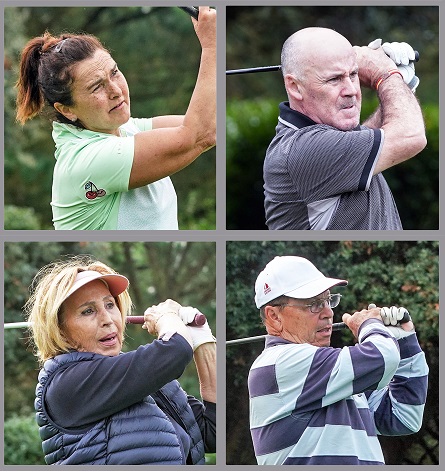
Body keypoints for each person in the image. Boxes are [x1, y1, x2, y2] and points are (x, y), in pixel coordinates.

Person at [15, 7, 216, 230]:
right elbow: (200, 134)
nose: (116, 91)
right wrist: (212, 47)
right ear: (67, 110)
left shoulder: (125, 129)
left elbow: (209, 124)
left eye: (114, 72)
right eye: (96, 87)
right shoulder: (88, 160)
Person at [24, 256, 216, 465]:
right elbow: (175, 351)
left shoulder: (148, 378)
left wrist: (203, 340)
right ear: (59, 329)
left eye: (110, 304)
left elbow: (213, 433)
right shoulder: (67, 382)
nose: (107, 319)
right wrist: (167, 317)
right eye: (88, 311)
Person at [249, 255, 428, 465]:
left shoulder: (329, 375)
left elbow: (404, 417)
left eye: (328, 300)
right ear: (274, 316)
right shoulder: (281, 363)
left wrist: (405, 340)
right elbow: (383, 356)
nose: (328, 313)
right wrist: (368, 324)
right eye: (314, 304)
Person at [263, 27, 427, 230]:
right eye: (334, 79)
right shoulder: (303, 149)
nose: (351, 90)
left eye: (354, 74)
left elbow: (372, 138)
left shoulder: (322, 139)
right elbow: (410, 137)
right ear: (295, 86)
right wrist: (385, 74)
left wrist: (402, 83)